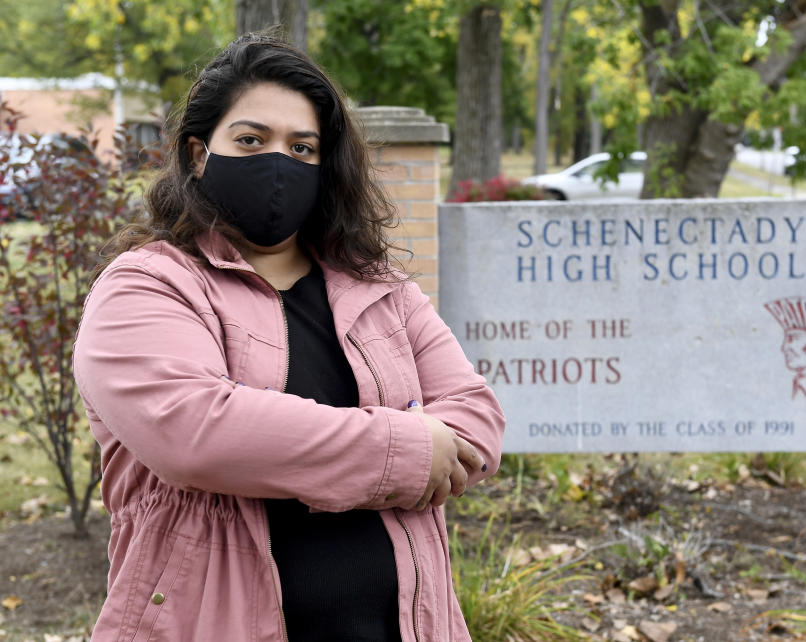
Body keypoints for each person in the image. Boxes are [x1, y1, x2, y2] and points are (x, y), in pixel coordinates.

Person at [73, 32, 505, 641]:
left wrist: (295, 445)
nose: (279, 164)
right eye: (251, 140)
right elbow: (197, 432)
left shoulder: (378, 288)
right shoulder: (148, 285)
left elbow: (476, 418)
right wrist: (405, 447)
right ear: (199, 153)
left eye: (302, 148)